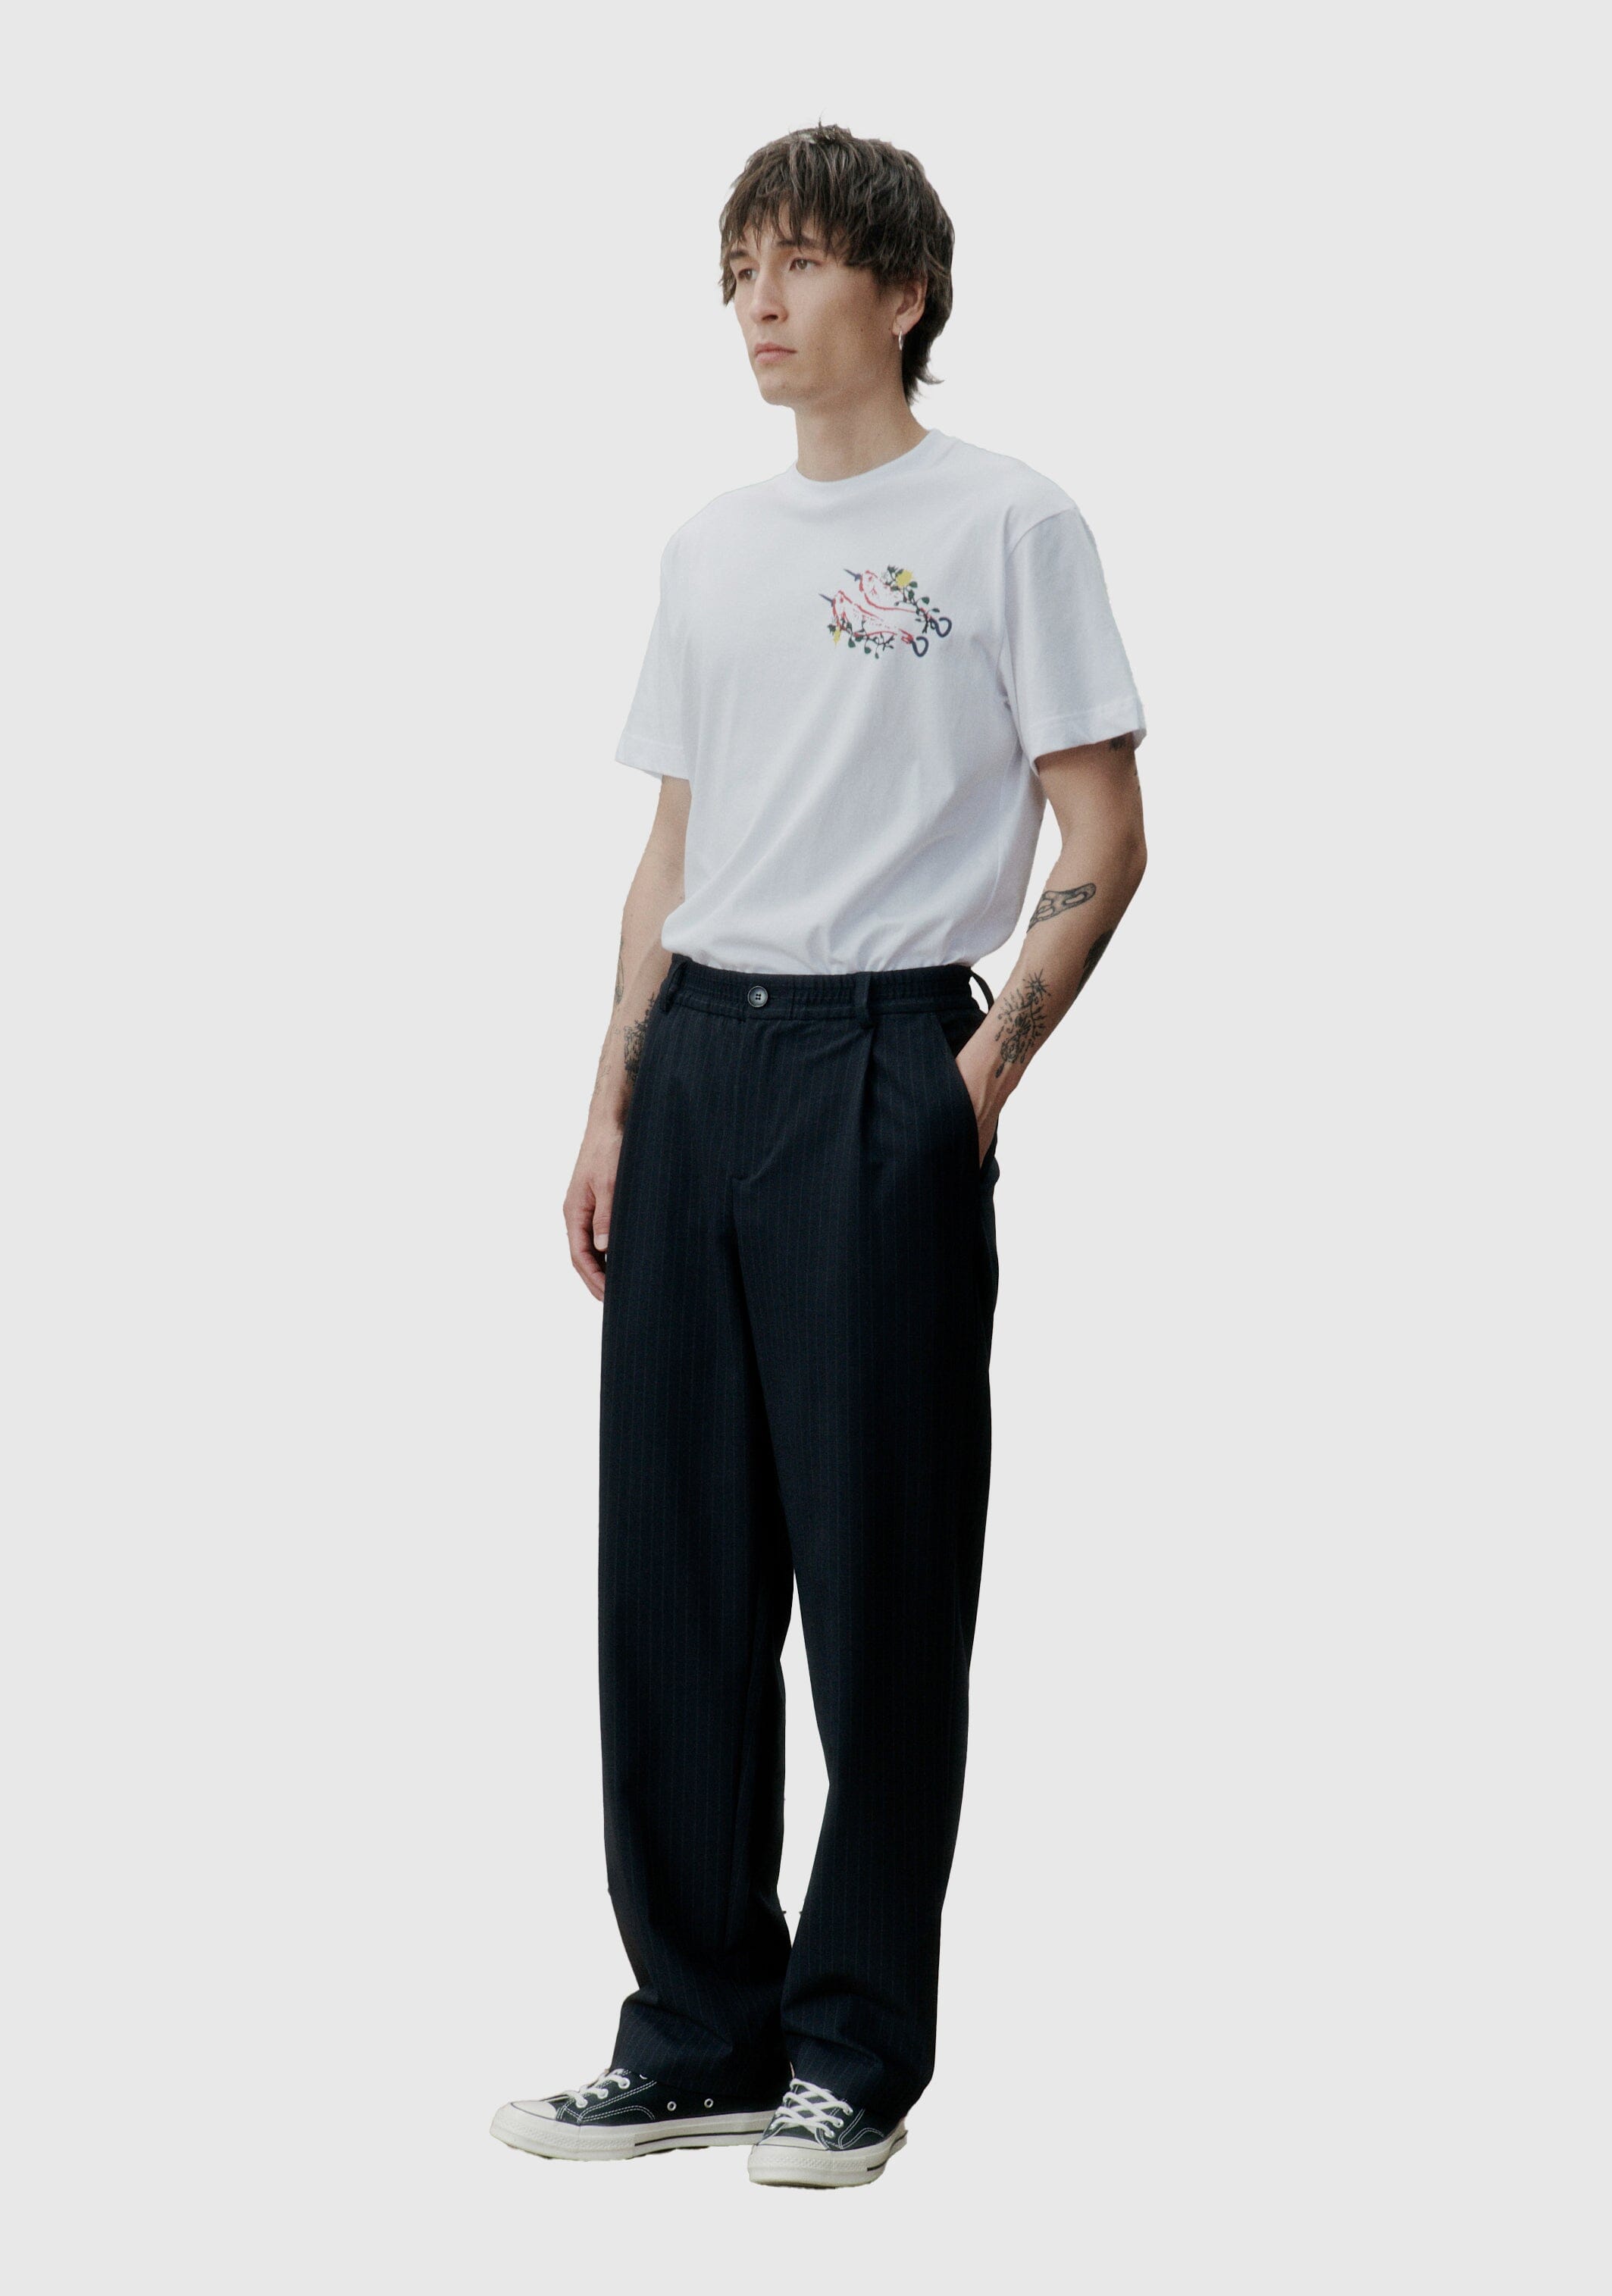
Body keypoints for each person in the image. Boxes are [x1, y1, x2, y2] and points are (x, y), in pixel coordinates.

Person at [492, 123, 1147, 2190]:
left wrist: (972, 1086)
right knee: (674, 1576)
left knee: (879, 1584)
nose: (758, 306)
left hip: (883, 1061)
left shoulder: (1011, 521)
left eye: (795, 264)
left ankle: (854, 2048)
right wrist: (611, 1096)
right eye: (737, 272)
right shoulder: (712, 549)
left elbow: (1106, 831)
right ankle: (698, 2030)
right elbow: (672, 846)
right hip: (700, 1058)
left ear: (905, 288)